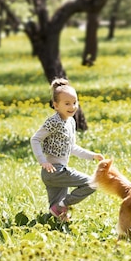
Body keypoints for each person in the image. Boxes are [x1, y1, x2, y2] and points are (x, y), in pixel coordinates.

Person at [30, 78, 104, 221]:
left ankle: (56, 226)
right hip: (54, 171)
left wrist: (92, 155)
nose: (72, 106)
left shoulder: (71, 121)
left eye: (75, 102)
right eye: (67, 103)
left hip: (57, 171)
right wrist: (42, 161)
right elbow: (35, 139)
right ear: (56, 105)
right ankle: (62, 207)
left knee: (57, 212)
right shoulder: (54, 121)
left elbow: (72, 147)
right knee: (92, 183)